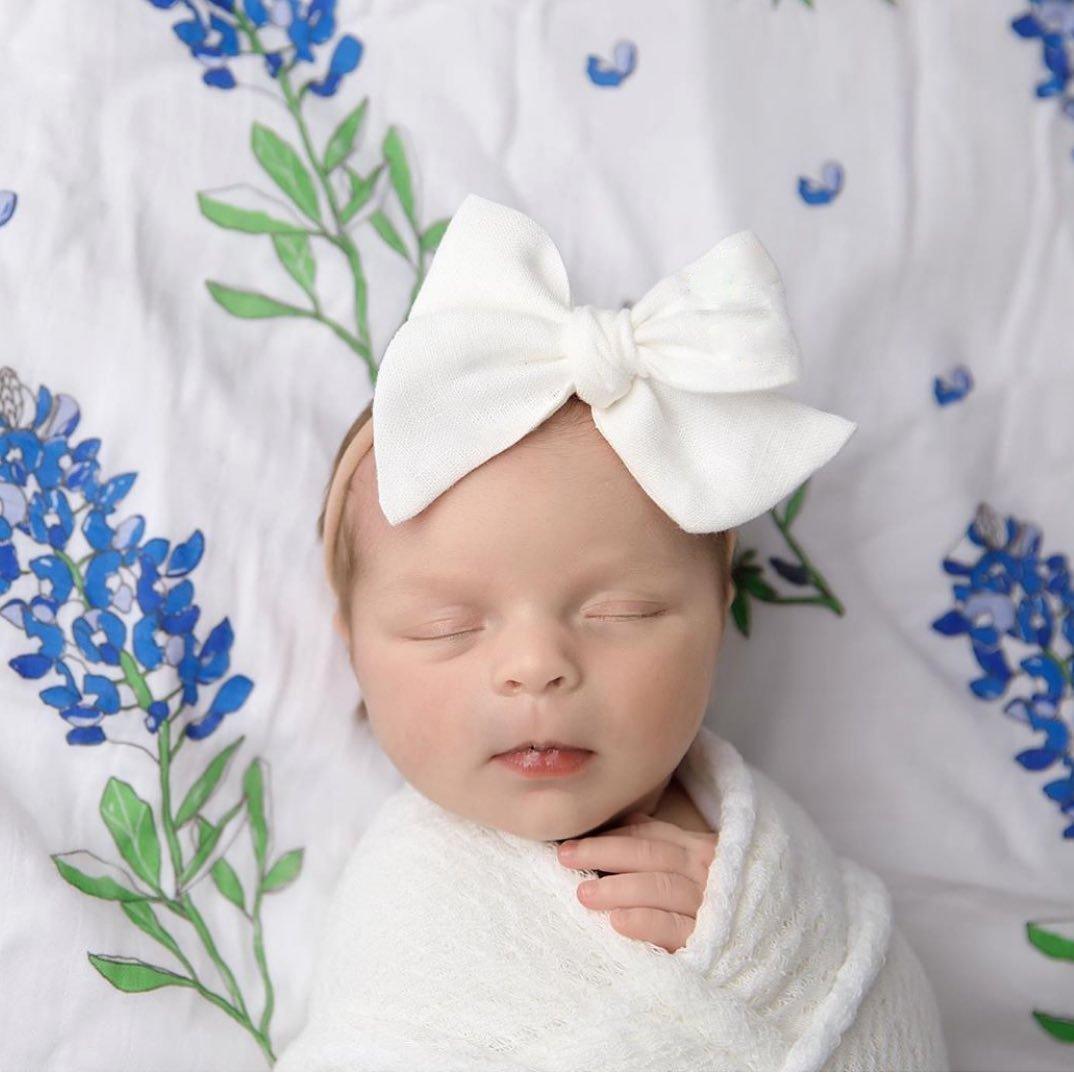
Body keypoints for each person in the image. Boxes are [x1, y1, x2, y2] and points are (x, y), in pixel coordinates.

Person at [276, 194, 949, 1071]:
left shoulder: (776, 883)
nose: (535, 668)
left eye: (619, 614)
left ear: (718, 619)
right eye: (447, 627)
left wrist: (774, 941)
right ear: (354, 649)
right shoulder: (404, 912)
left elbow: (902, 1038)